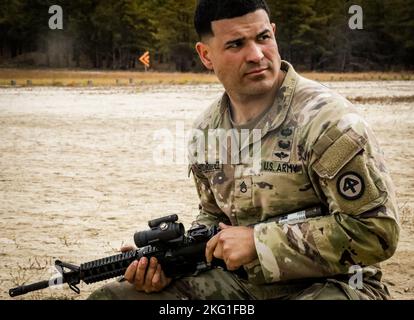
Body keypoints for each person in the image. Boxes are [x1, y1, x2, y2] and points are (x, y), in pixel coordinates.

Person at [88, 0, 399, 300]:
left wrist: (259, 244)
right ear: (206, 55)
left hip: (338, 284)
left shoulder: (327, 121)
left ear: (273, 33)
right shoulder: (206, 130)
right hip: (242, 284)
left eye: (263, 38)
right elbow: (213, 215)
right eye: (236, 45)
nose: (256, 55)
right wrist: (171, 264)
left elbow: (376, 232)